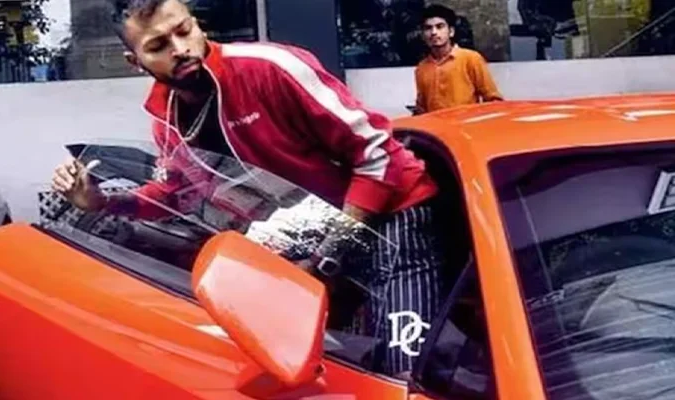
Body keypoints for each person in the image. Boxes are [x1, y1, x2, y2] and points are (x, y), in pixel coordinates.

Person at [51, 0, 445, 376]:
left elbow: (377, 153)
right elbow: (176, 195)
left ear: (197, 24)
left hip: (395, 215)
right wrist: (102, 201)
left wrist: (327, 257)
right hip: (315, 236)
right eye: (158, 46)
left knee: (402, 372)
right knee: (326, 366)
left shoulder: (272, 68)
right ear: (135, 62)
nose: (181, 49)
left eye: (184, 31)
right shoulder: (167, 120)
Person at [414, 5, 503, 114]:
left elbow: (493, 100)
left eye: (440, 26)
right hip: (435, 129)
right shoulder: (422, 68)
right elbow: (421, 109)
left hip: (466, 128)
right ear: (423, 35)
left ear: (451, 32)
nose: (434, 32)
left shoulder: (470, 59)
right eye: (428, 28)